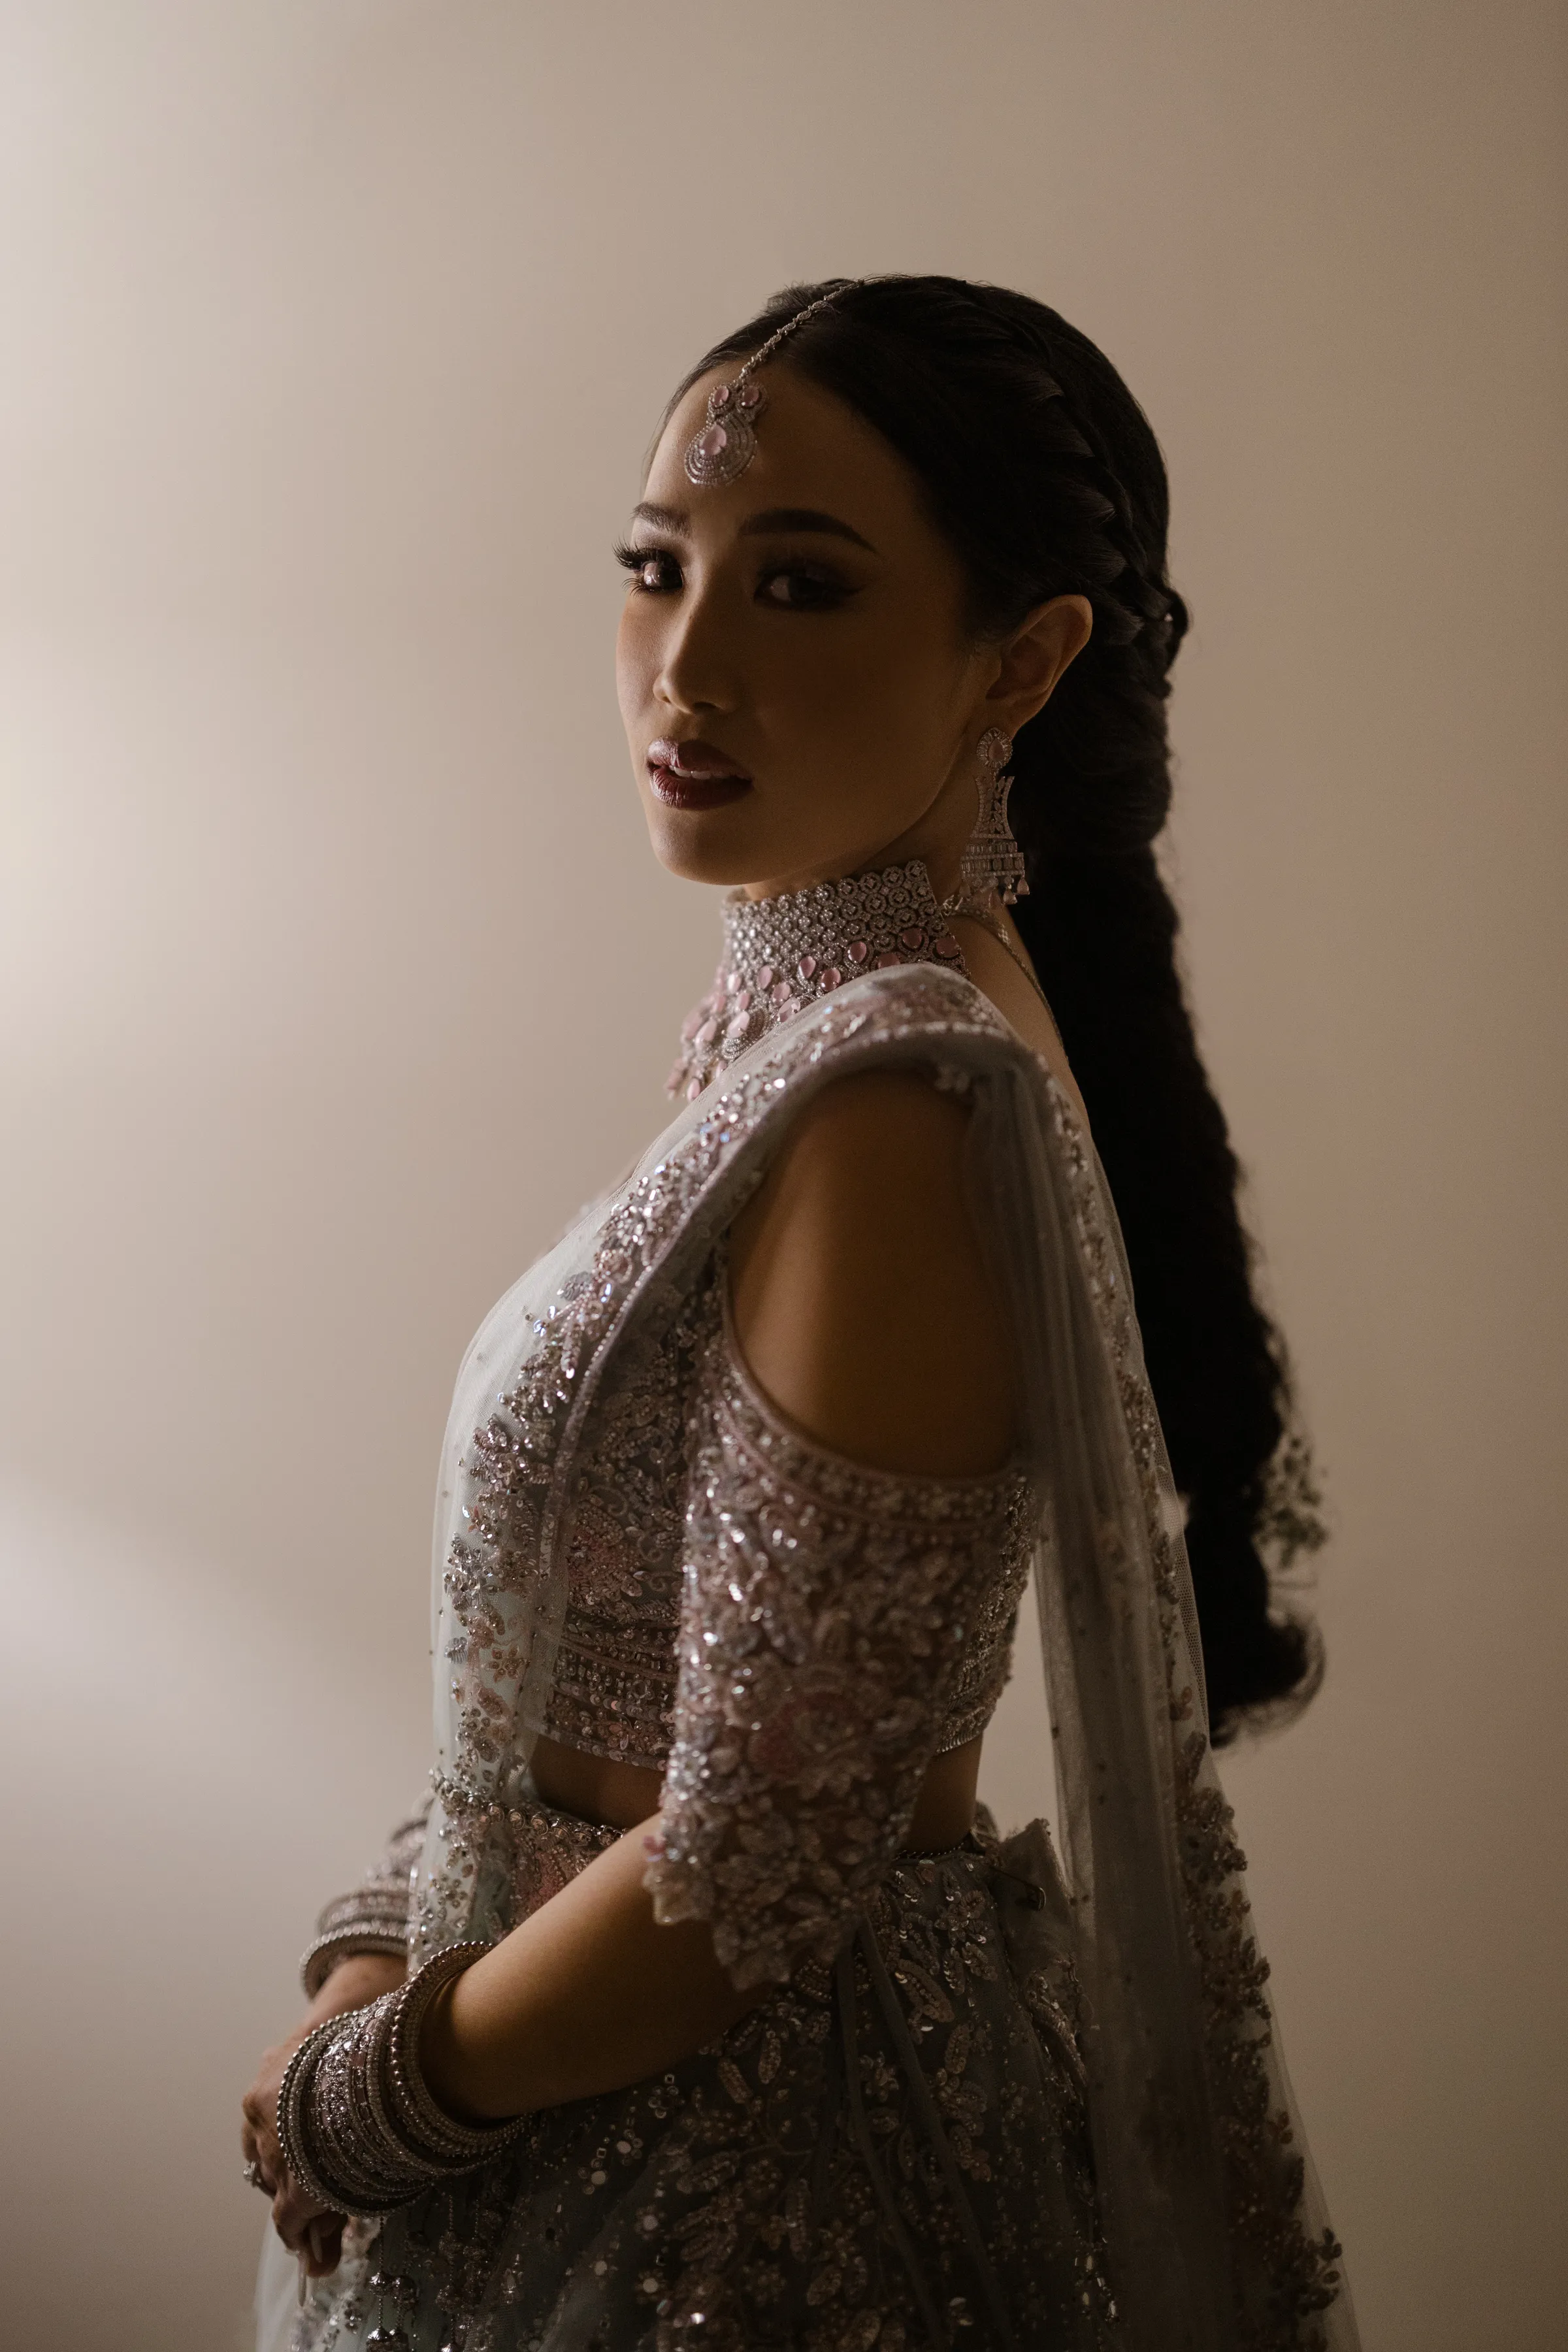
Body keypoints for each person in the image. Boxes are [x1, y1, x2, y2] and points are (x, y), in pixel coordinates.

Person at [241, 275, 1355, 2352]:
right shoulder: (824, 1018)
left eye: (803, 585)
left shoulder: (895, 1108)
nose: (687, 667)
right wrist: (391, 1933)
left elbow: (758, 1863)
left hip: (722, 2190)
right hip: (574, 2070)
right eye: (657, 566)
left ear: (1021, 661)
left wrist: (372, 2099)